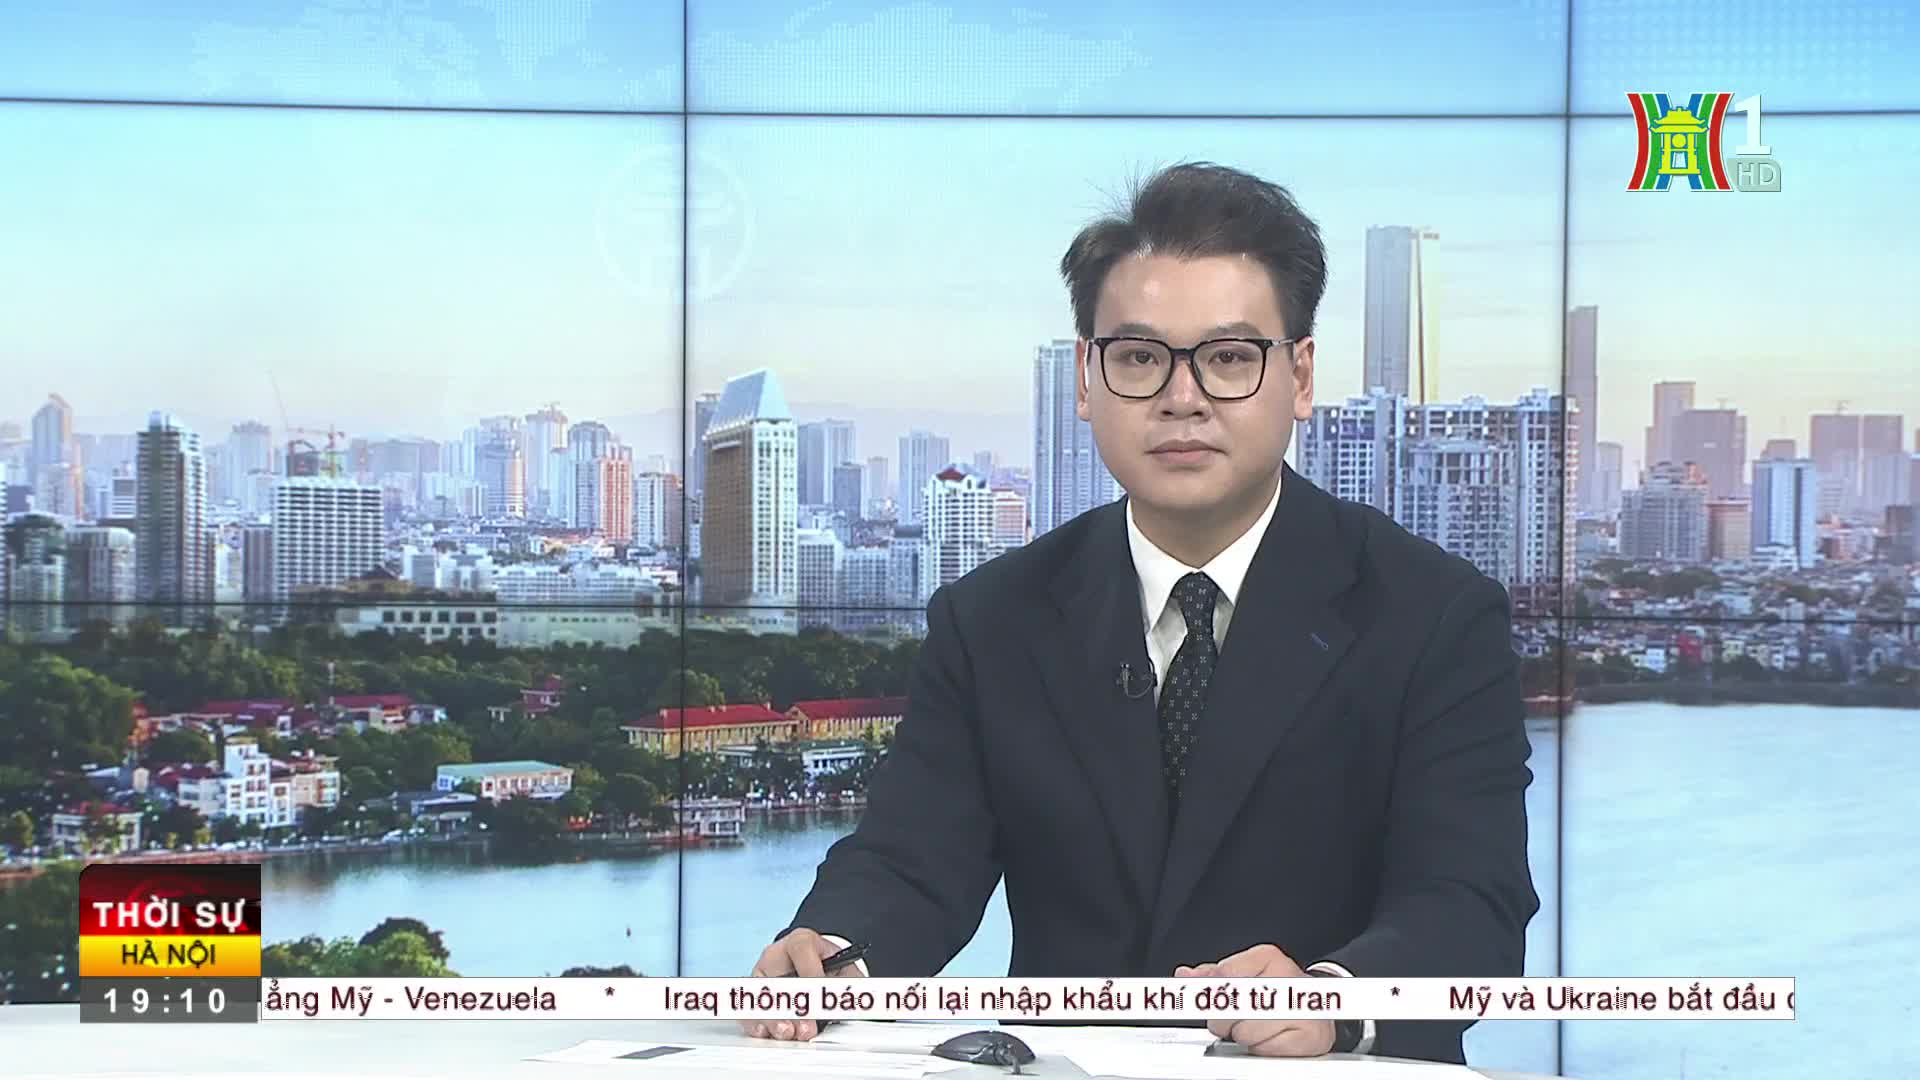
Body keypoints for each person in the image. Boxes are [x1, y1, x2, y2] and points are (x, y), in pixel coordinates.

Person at [744, 161, 1539, 1065]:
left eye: (1231, 358)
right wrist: (839, 950)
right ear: (1087, 378)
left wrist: (1331, 995)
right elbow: (911, 861)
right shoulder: (994, 616)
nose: (1182, 396)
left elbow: (1471, 902)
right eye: (1139, 357)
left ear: (1302, 376)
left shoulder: (1434, 614)